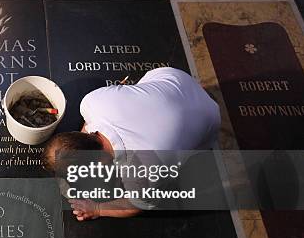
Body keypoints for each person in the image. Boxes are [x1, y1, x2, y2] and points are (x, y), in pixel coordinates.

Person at [43, 67, 221, 220]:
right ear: (76, 133)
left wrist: (97, 209)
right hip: (175, 78)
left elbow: (135, 205)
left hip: (210, 118)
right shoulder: (92, 102)